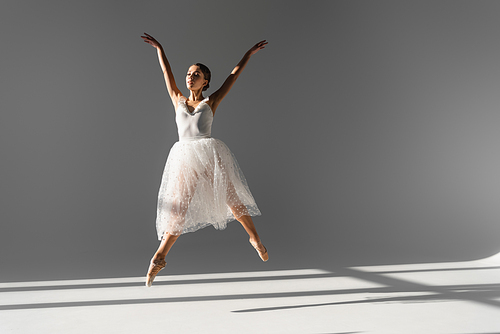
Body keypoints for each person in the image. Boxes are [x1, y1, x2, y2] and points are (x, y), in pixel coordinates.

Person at [141, 33, 269, 287]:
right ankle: (159, 256)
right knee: (179, 206)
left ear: (206, 81)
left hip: (209, 153)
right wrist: (160, 49)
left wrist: (248, 55)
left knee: (231, 197)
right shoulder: (177, 99)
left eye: (196, 73)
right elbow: (166, 72)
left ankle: (255, 239)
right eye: (189, 73)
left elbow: (233, 76)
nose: (190, 76)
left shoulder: (212, 101)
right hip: (185, 156)